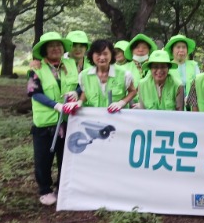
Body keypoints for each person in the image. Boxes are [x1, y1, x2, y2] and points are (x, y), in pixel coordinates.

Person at [26, 32, 80, 206]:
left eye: (58, 45)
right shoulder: (36, 68)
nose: (56, 48)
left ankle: (61, 187)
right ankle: (45, 189)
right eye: (51, 46)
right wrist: (55, 105)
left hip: (69, 120)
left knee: (66, 156)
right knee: (43, 158)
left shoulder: (72, 64)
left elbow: (82, 84)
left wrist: (76, 92)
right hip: (46, 122)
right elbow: (34, 93)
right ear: (44, 50)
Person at [78, 39, 138, 111]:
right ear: (92, 55)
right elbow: (85, 92)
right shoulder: (84, 75)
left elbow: (133, 91)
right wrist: (79, 102)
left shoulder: (124, 74)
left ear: (111, 55)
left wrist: (121, 103)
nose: (102, 57)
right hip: (94, 115)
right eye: (98, 54)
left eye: (105, 54)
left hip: (117, 115)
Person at [166, 34, 200, 101]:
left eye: (184, 47)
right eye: (178, 47)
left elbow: (198, 83)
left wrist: (190, 97)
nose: (181, 50)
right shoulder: (167, 66)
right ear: (172, 50)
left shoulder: (193, 65)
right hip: (172, 103)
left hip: (191, 103)